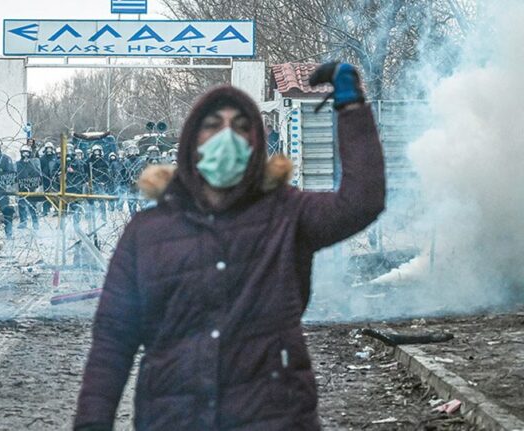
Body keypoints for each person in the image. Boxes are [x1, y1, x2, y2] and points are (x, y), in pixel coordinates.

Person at [74, 63, 384, 430]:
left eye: (240, 126)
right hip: (173, 419)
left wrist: (351, 107)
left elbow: (361, 202)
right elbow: (113, 340)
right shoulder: (147, 232)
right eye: (212, 125)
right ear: (191, 142)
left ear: (256, 143)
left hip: (274, 418)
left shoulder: (286, 214)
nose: (227, 137)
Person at [16, 144, 42, 230]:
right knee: (21, 205)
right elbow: (15, 175)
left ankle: (35, 222)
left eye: (27, 153)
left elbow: (38, 175)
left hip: (31, 188)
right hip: (21, 188)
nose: (25, 154)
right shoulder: (18, 164)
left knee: (32, 206)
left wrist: (37, 185)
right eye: (24, 153)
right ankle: (23, 222)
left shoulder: (33, 164)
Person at [88, 144, 111, 222]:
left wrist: (104, 182)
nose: (97, 153)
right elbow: (86, 171)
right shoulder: (90, 161)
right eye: (95, 152)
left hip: (101, 183)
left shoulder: (103, 161)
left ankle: (103, 217)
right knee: (91, 200)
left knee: (101, 200)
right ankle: (91, 216)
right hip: (92, 182)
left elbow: (107, 172)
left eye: (98, 152)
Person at [122, 144, 146, 215]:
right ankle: (133, 216)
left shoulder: (141, 161)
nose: (132, 152)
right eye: (130, 150)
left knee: (142, 202)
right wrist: (125, 182)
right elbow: (123, 174)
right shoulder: (126, 162)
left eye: (134, 150)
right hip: (130, 185)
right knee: (131, 202)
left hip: (140, 185)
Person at [40, 142, 59, 216]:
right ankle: (45, 210)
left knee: (55, 194)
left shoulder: (55, 157)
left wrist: (55, 175)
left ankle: (57, 210)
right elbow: (40, 168)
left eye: (50, 148)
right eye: (47, 148)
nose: (49, 150)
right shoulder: (42, 158)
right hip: (45, 179)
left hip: (54, 179)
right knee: (46, 195)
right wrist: (42, 175)